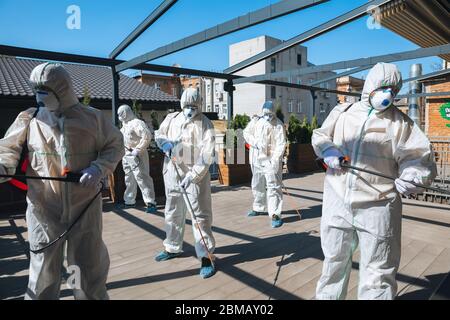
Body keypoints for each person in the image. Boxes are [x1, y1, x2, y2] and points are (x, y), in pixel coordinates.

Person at [312, 62, 437, 300]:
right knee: (333, 262)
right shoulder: (343, 112)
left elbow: (419, 158)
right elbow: (320, 136)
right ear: (369, 85)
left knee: (378, 272)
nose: (386, 94)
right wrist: (328, 151)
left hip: (378, 205)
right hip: (337, 200)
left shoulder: (401, 124)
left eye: (392, 90)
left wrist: (412, 177)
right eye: (382, 87)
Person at [0, 62, 124, 300]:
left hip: (84, 206)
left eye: (46, 91)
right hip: (43, 208)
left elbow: (115, 144)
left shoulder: (93, 118)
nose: (40, 97)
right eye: (38, 90)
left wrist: (98, 169)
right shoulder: (31, 118)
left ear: (63, 90)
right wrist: (4, 165)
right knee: (42, 269)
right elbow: (8, 147)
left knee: (87, 267)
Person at [154, 88, 216, 279]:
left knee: (200, 217)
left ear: (199, 105)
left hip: (194, 178)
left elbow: (207, 154)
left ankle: (206, 256)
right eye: (187, 105)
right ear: (181, 104)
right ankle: (172, 246)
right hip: (172, 174)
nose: (190, 109)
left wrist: (194, 174)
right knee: (173, 212)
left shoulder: (205, 124)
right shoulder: (172, 119)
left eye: (194, 106)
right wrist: (165, 144)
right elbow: (159, 135)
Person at [243, 101, 287, 228]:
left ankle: (275, 214)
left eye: (270, 113)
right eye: (265, 113)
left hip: (270, 161)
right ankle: (258, 207)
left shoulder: (278, 125)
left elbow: (281, 144)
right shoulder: (257, 121)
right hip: (256, 159)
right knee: (257, 183)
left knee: (273, 187)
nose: (267, 116)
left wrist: (275, 160)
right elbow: (246, 133)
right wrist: (255, 142)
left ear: (274, 113)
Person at [117, 104, 157, 213]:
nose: (120, 117)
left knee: (142, 177)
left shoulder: (137, 123)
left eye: (121, 114)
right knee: (129, 178)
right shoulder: (124, 125)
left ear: (126, 112)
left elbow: (147, 136)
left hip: (137, 155)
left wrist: (138, 149)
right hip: (127, 156)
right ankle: (129, 201)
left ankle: (150, 202)